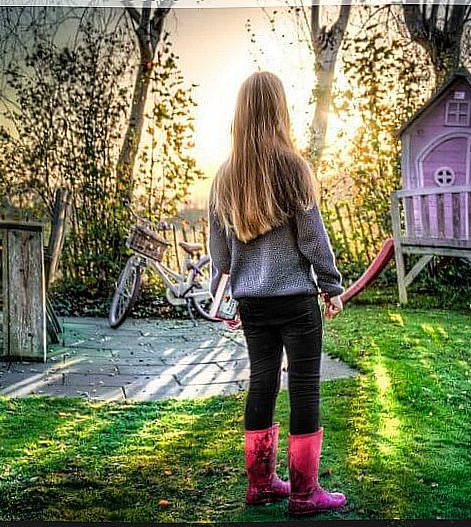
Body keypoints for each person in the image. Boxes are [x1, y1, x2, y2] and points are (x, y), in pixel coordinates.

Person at [208, 71, 347, 516]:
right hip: (294, 299)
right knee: (304, 387)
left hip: (252, 302)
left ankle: (262, 485)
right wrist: (331, 286)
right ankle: (305, 493)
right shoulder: (293, 169)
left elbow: (219, 251)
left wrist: (225, 294)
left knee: (261, 384)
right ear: (279, 111)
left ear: (241, 114)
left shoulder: (225, 178)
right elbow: (313, 239)